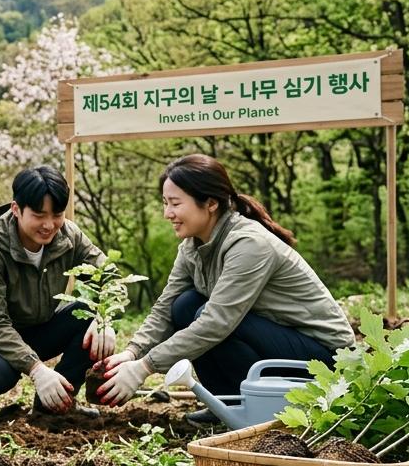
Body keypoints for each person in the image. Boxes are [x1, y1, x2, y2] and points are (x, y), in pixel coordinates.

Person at [97, 154, 354, 424]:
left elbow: (217, 322)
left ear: (210, 203)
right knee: (184, 305)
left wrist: (145, 367)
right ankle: (225, 402)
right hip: (275, 337)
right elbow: (165, 308)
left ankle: (249, 407)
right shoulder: (191, 247)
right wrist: (132, 353)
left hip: (325, 358)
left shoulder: (249, 244)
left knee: (208, 317)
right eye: (165, 203)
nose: (167, 213)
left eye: (175, 203)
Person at [0, 166, 115, 425]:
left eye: (57, 214)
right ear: (16, 209)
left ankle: (58, 401)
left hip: (37, 326)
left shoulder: (69, 236)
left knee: (88, 320)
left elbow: (109, 278)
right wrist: (37, 370)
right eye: (39, 215)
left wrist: (104, 318)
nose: (49, 225)